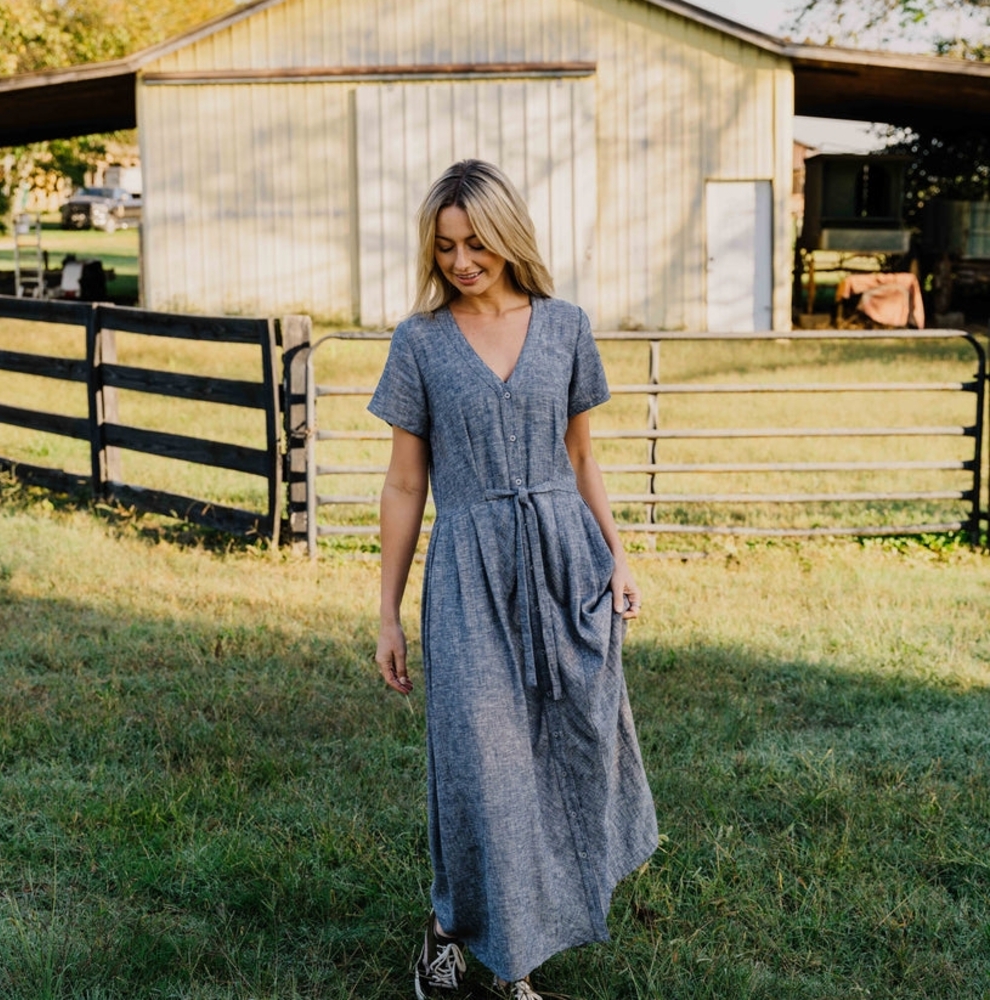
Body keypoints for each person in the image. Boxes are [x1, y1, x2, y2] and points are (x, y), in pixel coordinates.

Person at [369, 159, 659, 1000]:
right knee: (483, 764)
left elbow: (582, 455)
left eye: (477, 244)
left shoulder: (566, 326)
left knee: (570, 749)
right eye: (446, 246)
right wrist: (387, 613)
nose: (461, 262)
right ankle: (492, 959)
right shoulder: (419, 342)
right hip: (468, 574)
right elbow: (402, 485)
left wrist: (619, 555)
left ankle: (494, 938)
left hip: (566, 562)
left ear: (508, 237)